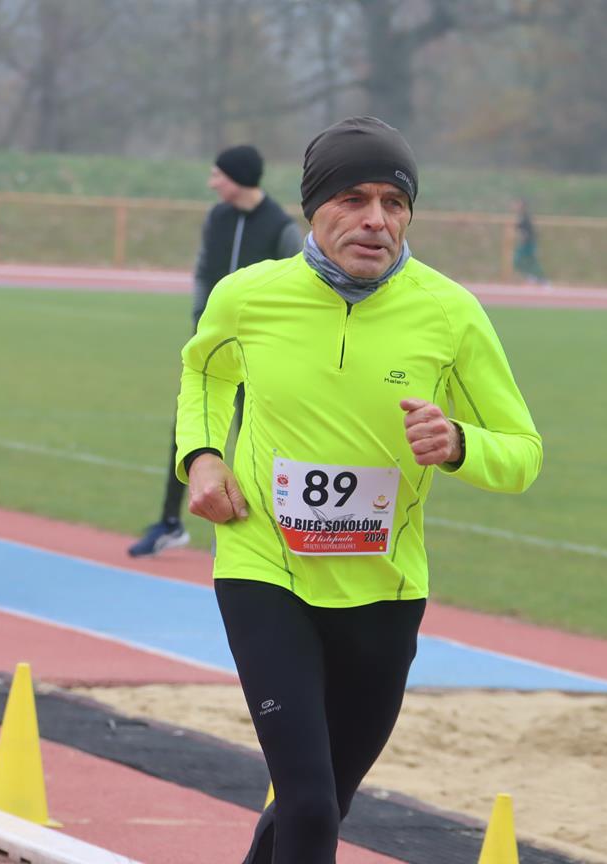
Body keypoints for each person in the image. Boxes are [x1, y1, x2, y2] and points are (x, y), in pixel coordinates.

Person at [174, 116, 542, 862]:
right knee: (309, 806)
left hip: (384, 589)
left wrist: (460, 443)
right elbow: (204, 371)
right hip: (265, 570)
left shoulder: (450, 313)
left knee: (315, 806)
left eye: (394, 202)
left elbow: (523, 452)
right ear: (314, 207)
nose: (376, 219)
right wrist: (203, 457)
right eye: (352, 198)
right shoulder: (248, 297)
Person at [128, 145, 302, 557]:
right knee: (189, 433)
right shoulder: (217, 217)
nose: (212, 183)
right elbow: (205, 271)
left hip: (261, 355)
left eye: (218, 175)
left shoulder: (281, 226)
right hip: (216, 352)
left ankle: (252, 528)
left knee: (254, 438)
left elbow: (298, 288)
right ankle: (170, 523)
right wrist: (201, 322)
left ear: (238, 177)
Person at [512, 198, 548, 286]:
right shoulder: (520, 216)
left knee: (531, 261)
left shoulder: (526, 217)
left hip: (529, 243)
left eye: (518, 204)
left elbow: (529, 231)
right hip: (524, 243)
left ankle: (542, 280)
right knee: (518, 261)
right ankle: (531, 277)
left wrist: (524, 237)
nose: (515, 206)